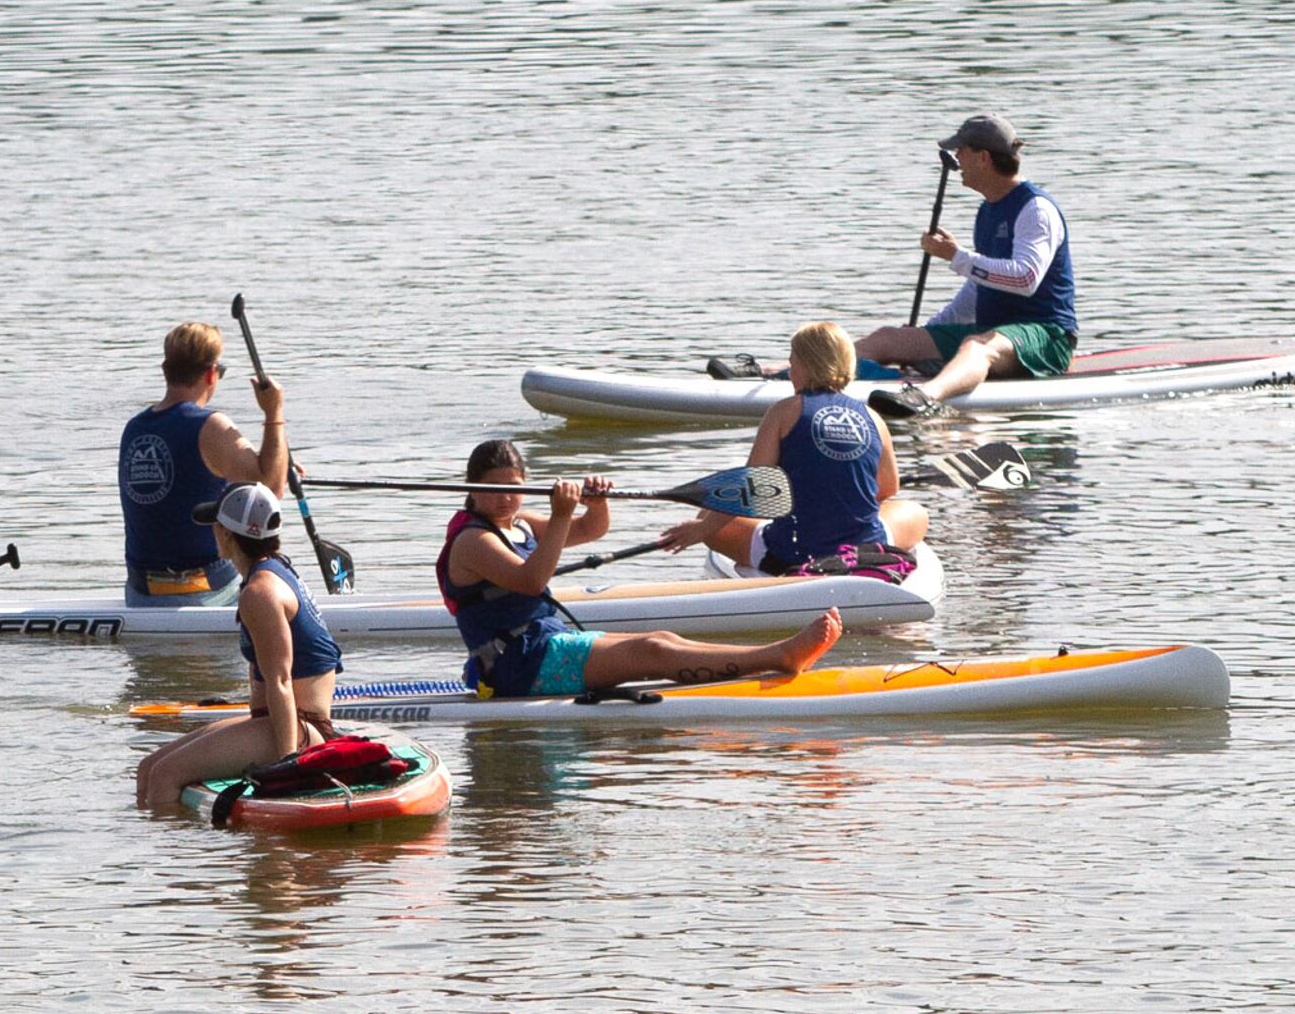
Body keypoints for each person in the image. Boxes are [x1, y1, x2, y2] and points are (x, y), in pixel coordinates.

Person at [439, 440, 842, 701]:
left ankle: (774, 655)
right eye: (493, 488)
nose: (506, 498)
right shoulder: (474, 541)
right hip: (519, 666)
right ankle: (778, 657)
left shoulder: (519, 523)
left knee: (660, 638)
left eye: (514, 486)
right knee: (652, 652)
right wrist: (561, 514)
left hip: (545, 644)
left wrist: (595, 505)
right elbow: (532, 581)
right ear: (471, 489)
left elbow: (587, 530)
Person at [131, 483, 344, 812]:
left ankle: (173, 861)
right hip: (276, 723)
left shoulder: (261, 592)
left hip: (300, 730)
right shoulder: (275, 569)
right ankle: (169, 847)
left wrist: (287, 765)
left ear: (226, 533)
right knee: (149, 767)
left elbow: (280, 682)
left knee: (164, 776)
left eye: (216, 526)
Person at [655, 322, 927, 574]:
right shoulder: (873, 418)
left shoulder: (784, 413)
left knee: (708, 516)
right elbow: (887, 490)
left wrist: (703, 529)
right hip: (862, 548)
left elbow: (753, 487)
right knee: (914, 512)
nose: (790, 367)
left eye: (793, 360)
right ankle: (856, 550)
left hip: (794, 553)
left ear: (806, 365)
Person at [862, 115, 1076, 412]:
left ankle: (924, 397)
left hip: (1046, 337)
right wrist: (925, 334)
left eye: (962, 150)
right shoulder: (987, 211)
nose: (957, 157)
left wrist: (955, 256)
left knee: (976, 346)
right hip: (993, 332)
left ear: (984, 158)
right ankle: (799, 372)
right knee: (889, 339)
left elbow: (1026, 279)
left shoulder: (1036, 209)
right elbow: (978, 288)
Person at [119, 322, 290, 599]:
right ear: (211, 374)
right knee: (270, 567)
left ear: (165, 370)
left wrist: (274, 463)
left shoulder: (134, 428)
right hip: (205, 590)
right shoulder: (210, 426)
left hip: (139, 591)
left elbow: (185, 476)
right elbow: (272, 488)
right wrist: (274, 411)